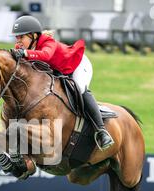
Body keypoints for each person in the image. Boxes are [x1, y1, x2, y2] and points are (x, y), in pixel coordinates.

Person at [9, 15, 114, 151]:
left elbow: (46, 55)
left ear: (33, 35)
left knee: (80, 88)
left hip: (78, 65)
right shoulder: (23, 47)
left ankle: (101, 131)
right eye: (16, 37)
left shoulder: (47, 42)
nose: (18, 41)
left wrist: (25, 53)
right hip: (60, 71)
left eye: (21, 37)